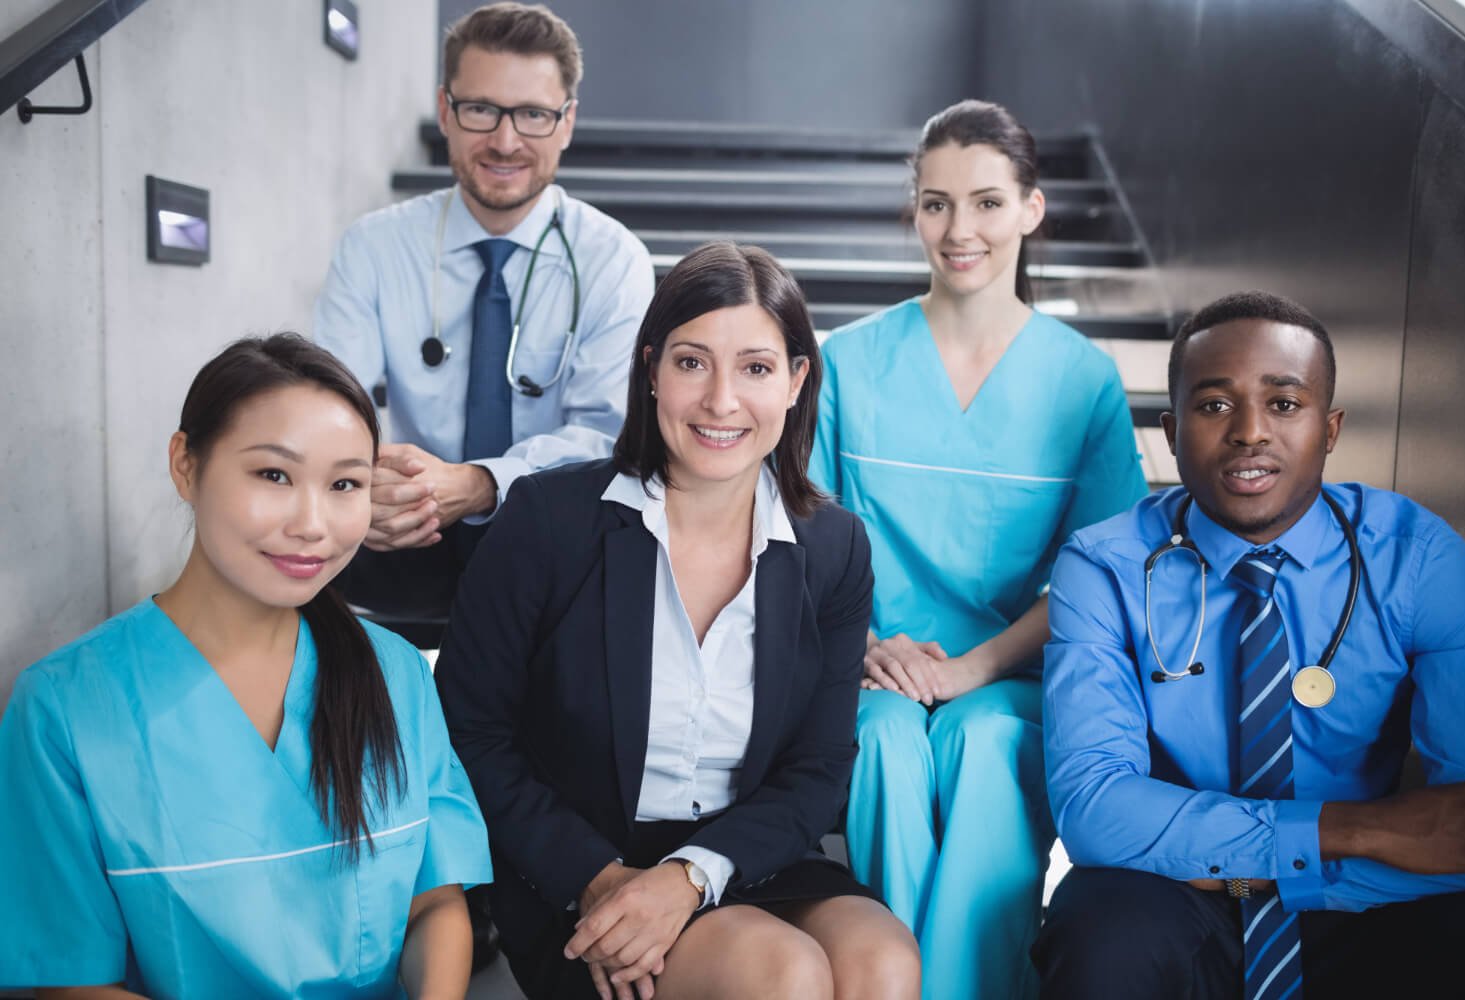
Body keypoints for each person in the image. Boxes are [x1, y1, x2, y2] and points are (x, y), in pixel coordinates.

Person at [436, 242, 922, 1000]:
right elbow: (471, 730)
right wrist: (597, 880)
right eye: (693, 363)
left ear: (796, 381)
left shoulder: (832, 547)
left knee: (884, 964)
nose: (721, 401)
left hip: (739, 856)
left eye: (756, 368)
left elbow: (819, 768)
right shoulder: (549, 520)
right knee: (783, 975)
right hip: (580, 869)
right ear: (651, 368)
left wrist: (693, 876)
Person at [1035, 291, 1465, 999]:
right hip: (1179, 900)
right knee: (1097, 925)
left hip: (1362, 901)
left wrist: (1234, 851)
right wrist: (1348, 831)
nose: (1249, 433)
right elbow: (1097, 811)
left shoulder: (1419, 559)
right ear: (1171, 431)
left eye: (1284, 404)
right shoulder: (1104, 567)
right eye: (1214, 406)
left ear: (1331, 427)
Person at [0, 334, 491, 997]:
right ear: (185, 465)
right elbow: (70, 978)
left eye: (345, 483)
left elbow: (434, 903)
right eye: (273, 475)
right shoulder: (63, 709)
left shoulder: (398, 675)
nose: (313, 524)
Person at [809, 100, 1147, 999]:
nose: (961, 231)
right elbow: (799, 543)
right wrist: (868, 649)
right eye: (936, 203)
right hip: (867, 667)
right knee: (882, 742)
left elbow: (1106, 572)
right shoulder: (845, 362)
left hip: (1010, 674)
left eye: (988, 202)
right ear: (913, 210)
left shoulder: (1082, 381)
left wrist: (976, 668)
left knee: (990, 743)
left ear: (1031, 210)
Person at [314, 1, 654, 619]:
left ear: (567, 122)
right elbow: (329, 405)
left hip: (550, 533)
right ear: (446, 110)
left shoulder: (613, 260)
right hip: (399, 526)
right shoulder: (375, 247)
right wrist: (366, 488)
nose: (505, 140)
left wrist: (478, 483)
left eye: (533, 114)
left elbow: (610, 437)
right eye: (480, 110)